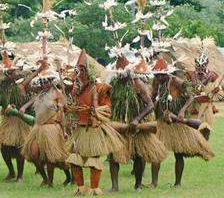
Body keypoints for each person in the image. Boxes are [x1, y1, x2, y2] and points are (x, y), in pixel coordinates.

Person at [66, 50, 125, 195]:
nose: (80, 75)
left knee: (93, 160)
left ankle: (94, 188)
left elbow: (107, 109)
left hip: (94, 128)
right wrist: (70, 109)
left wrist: (96, 112)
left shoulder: (100, 88)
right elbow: (70, 107)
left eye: (82, 71)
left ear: (90, 73)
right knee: (74, 159)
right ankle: (80, 187)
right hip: (80, 128)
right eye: (78, 71)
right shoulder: (76, 90)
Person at [150, 57, 214, 187]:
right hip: (163, 122)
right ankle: (154, 182)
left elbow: (190, 97)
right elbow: (153, 97)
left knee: (178, 154)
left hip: (177, 123)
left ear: (166, 74)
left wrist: (182, 111)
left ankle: (177, 183)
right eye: (156, 75)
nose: (158, 78)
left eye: (160, 76)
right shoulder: (157, 82)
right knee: (156, 151)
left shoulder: (176, 81)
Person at [107, 56, 167, 192]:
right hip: (119, 123)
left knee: (138, 155)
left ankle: (138, 185)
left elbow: (150, 105)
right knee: (112, 156)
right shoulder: (114, 84)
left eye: (122, 73)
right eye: (118, 73)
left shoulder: (137, 83)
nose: (120, 76)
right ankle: (114, 186)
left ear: (128, 72)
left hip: (136, 125)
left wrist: (137, 119)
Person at [20, 58, 71, 188]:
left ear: (51, 81)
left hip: (52, 128)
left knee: (52, 157)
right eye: (42, 81)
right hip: (38, 128)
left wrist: (64, 130)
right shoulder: (40, 93)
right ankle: (45, 178)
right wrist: (24, 107)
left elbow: (63, 112)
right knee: (33, 154)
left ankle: (56, 181)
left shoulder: (56, 93)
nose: (44, 84)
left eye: (46, 81)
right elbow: (25, 86)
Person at [0, 51, 35, 183]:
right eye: (9, 73)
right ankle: (11, 171)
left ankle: (20, 175)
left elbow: (34, 97)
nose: (12, 75)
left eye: (13, 72)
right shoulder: (4, 87)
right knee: (4, 147)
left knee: (20, 146)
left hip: (20, 120)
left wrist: (24, 107)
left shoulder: (22, 84)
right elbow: (5, 102)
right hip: (8, 120)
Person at [185, 49, 221, 140]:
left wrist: (216, 90)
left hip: (207, 107)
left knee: (206, 130)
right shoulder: (190, 75)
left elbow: (218, 90)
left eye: (202, 66)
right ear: (195, 65)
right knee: (193, 130)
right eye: (198, 65)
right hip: (194, 105)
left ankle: (205, 143)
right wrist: (192, 92)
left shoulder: (212, 76)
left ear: (206, 65)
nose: (200, 68)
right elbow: (186, 89)